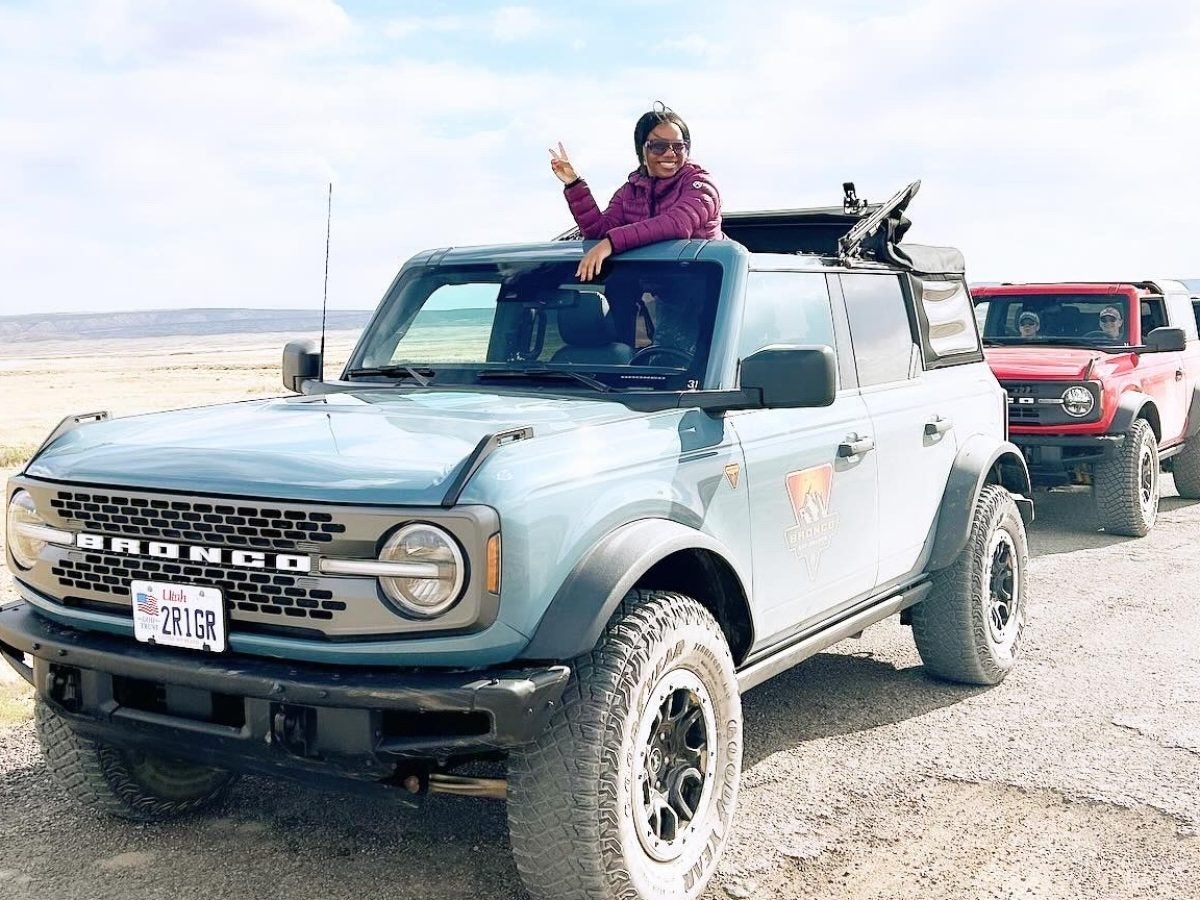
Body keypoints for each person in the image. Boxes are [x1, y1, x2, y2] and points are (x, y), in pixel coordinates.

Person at [550, 102, 722, 282]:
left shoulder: (701, 185)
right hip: (655, 293)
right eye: (659, 146)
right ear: (642, 150)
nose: (671, 154)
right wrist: (574, 184)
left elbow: (678, 224)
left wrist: (611, 243)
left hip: (709, 294)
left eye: (678, 146)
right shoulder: (629, 193)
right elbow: (598, 234)